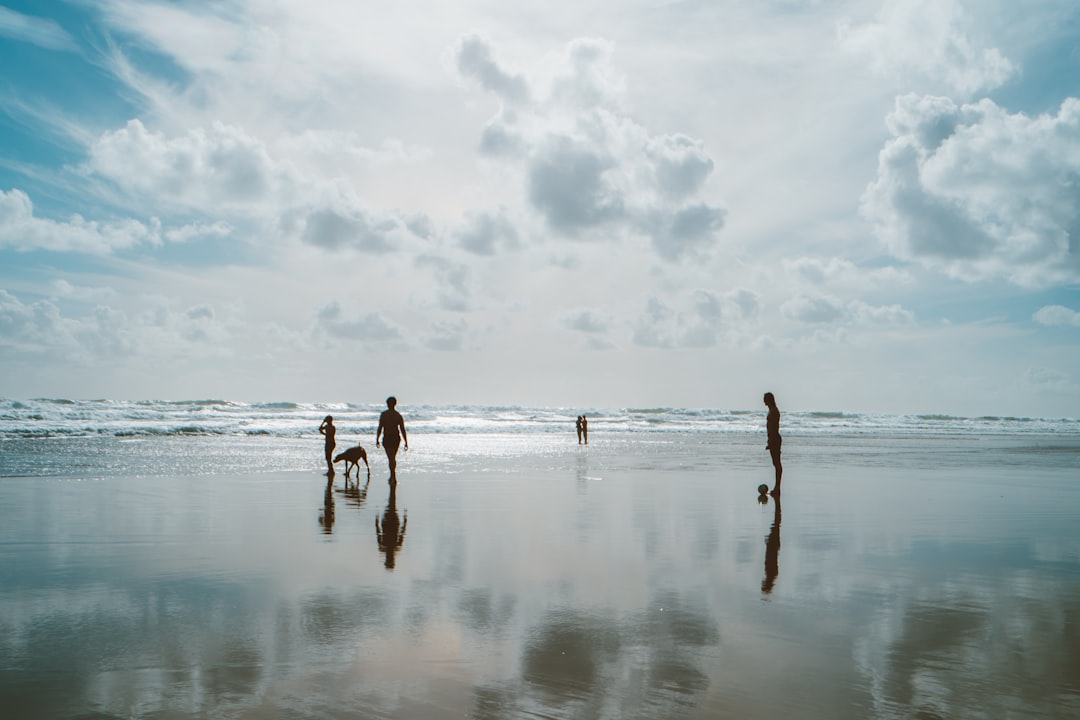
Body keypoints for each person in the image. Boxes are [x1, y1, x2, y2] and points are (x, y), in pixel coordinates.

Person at [376, 396, 408, 482]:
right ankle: (393, 475)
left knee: (391, 458)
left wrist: (377, 439)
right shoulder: (398, 415)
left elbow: (380, 428)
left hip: (387, 438)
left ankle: (392, 475)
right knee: (393, 457)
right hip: (395, 438)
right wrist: (406, 442)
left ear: (387, 404)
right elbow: (402, 430)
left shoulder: (384, 415)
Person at [764, 392, 782, 495]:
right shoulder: (771, 410)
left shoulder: (774, 411)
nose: (763, 401)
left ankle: (777, 487)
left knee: (777, 463)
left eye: (765, 399)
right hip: (772, 438)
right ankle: (777, 487)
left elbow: (774, 428)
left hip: (775, 439)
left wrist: (771, 442)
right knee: (775, 463)